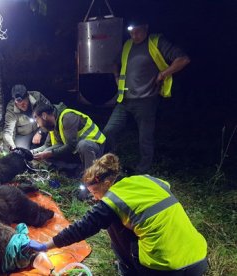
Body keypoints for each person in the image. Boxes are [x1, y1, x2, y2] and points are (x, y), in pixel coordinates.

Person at [29, 153, 208, 276]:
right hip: (199, 259)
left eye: (94, 193)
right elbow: (165, 187)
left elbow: (81, 228)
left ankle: (128, 269)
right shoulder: (146, 179)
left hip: (167, 268)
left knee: (113, 222)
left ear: (107, 183)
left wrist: (45, 246)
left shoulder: (113, 201)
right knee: (132, 219)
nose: (94, 197)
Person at [103, 20, 190, 174]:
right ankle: (111, 164)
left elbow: (183, 59)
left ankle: (143, 171)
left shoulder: (156, 42)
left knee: (145, 138)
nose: (134, 35)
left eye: (137, 31)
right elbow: (115, 62)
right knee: (109, 131)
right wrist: (116, 77)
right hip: (124, 100)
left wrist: (163, 74)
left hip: (146, 101)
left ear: (146, 28)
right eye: (131, 32)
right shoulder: (128, 45)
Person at [31, 102, 106, 172]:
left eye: (37, 121)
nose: (38, 125)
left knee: (83, 145)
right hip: (77, 150)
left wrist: (49, 153)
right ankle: (75, 170)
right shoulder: (52, 124)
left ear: (44, 116)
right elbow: (47, 145)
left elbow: (71, 146)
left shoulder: (68, 117)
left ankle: (90, 178)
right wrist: (32, 152)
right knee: (47, 151)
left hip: (94, 147)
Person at [3, 84, 50, 150]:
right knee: (21, 152)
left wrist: (40, 132)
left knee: (48, 144)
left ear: (28, 97)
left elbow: (50, 115)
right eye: (19, 104)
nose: (23, 106)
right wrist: (12, 147)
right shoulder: (11, 108)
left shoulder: (37, 97)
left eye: (24, 103)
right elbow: (8, 132)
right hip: (24, 134)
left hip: (41, 128)